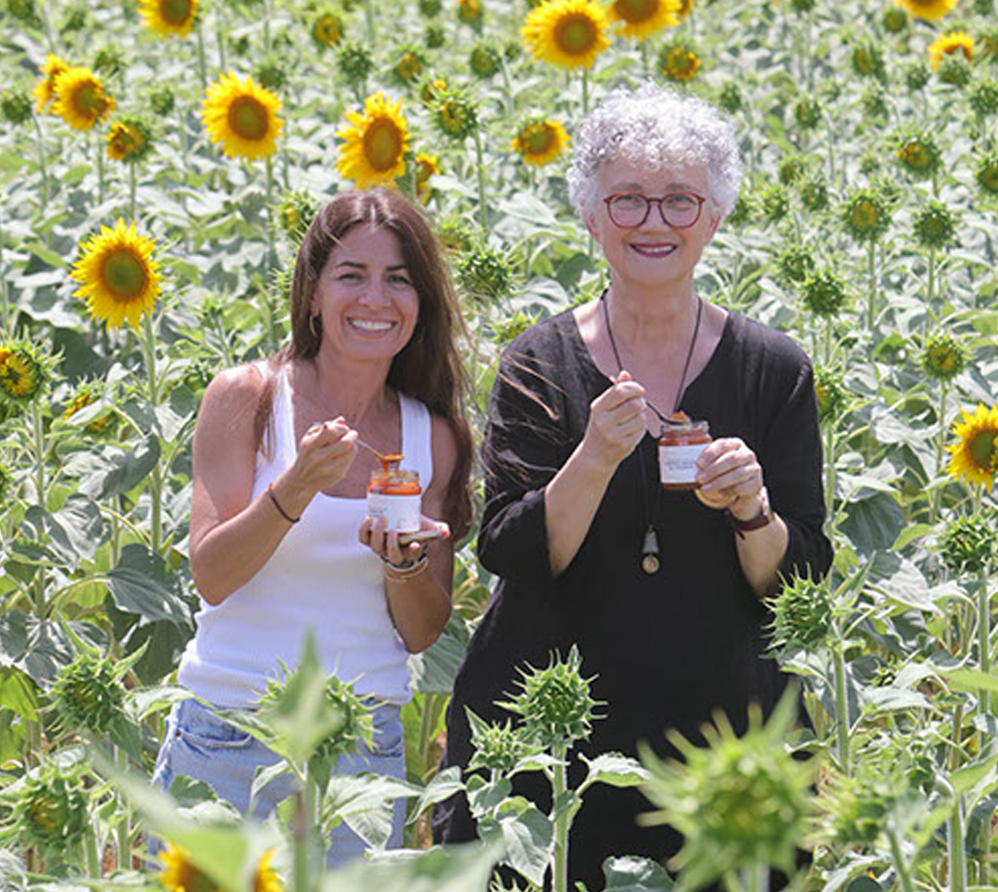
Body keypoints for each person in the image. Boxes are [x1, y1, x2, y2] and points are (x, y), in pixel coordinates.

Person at [434, 83, 832, 889]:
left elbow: (798, 580)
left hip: (725, 746)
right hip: (552, 745)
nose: (654, 223)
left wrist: (753, 510)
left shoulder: (772, 370)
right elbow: (510, 550)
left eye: (680, 201)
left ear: (715, 218)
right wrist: (594, 456)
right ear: (590, 217)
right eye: (628, 201)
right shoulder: (538, 365)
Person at [153, 188, 474, 864]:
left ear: (422, 304)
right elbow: (211, 575)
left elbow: (420, 631)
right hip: (229, 738)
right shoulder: (248, 398)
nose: (375, 299)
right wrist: (295, 487)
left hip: (359, 755)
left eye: (398, 280)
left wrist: (401, 563)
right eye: (351, 275)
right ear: (312, 294)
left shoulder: (432, 436)